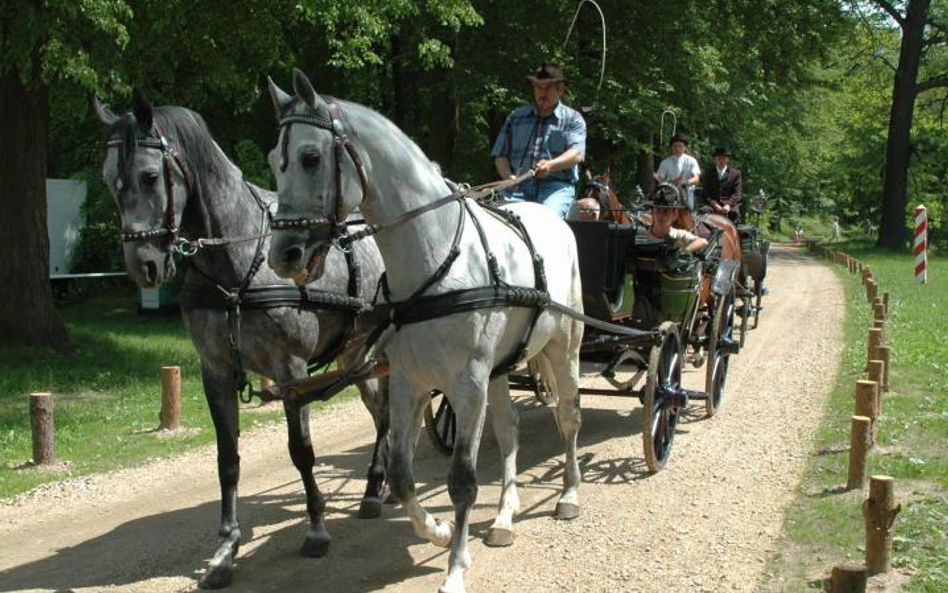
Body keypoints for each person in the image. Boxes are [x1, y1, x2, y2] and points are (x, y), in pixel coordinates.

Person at [491, 63, 587, 218]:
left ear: (561, 89)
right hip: (517, 189)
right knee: (491, 216)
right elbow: (500, 155)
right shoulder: (516, 117)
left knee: (545, 220)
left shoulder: (573, 119)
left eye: (547, 88)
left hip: (556, 188)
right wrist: (508, 177)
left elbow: (577, 154)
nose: (542, 93)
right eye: (538, 87)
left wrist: (551, 165)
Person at [647, 184, 708, 253]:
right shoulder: (641, 235)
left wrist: (682, 253)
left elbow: (703, 242)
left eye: (665, 211)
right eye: (657, 210)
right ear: (652, 211)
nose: (661, 215)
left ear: (675, 215)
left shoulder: (678, 235)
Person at [654, 133, 701, 211]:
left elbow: (696, 178)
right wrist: (668, 184)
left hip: (687, 193)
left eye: (680, 146)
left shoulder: (691, 160)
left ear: (685, 147)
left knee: (688, 212)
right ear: (671, 147)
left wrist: (686, 183)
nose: (677, 148)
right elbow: (659, 180)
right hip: (670, 193)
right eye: (675, 146)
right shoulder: (665, 162)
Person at [699, 146, 743, 223]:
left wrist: (728, 205)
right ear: (715, 159)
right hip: (712, 205)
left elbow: (737, 194)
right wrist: (714, 204)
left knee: (735, 214)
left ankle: (736, 234)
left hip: (729, 206)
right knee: (703, 211)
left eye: (723, 158)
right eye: (718, 158)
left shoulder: (736, 174)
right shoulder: (708, 173)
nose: (721, 160)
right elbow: (705, 193)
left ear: (727, 159)